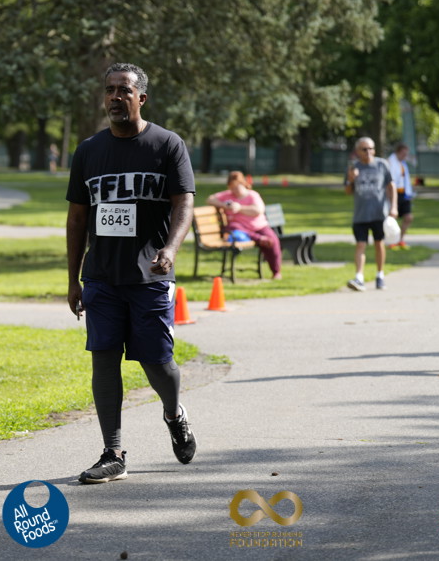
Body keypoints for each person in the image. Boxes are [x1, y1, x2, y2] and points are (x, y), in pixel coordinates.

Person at [66, 62, 197, 484]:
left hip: (150, 276)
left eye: (124, 90)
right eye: (109, 90)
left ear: (142, 97)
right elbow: (77, 218)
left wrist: (170, 249)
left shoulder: (167, 145)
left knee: (157, 363)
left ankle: (173, 414)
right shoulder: (89, 151)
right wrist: (72, 279)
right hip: (102, 276)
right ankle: (113, 452)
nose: (115, 97)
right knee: (104, 360)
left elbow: (184, 203)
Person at [206, 171, 282, 279]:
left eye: (236, 187)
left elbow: (258, 210)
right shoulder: (227, 195)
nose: (234, 190)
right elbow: (210, 199)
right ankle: (260, 239)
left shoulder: (252, 195)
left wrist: (239, 208)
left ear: (243, 184)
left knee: (273, 241)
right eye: (232, 188)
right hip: (240, 229)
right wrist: (224, 205)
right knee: (233, 226)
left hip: (259, 227)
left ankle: (276, 272)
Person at [344, 136, 397, 291]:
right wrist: (350, 179)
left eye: (371, 148)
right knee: (360, 244)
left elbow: (391, 186)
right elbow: (348, 191)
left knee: (379, 244)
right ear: (357, 151)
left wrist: (393, 207)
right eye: (364, 149)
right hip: (360, 214)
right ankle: (359, 277)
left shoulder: (382, 165)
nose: (368, 152)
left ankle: (380, 275)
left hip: (379, 213)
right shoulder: (353, 167)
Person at [387, 143, 415, 249]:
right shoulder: (390, 162)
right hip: (394, 193)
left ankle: (400, 239)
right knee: (392, 219)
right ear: (398, 152)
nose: (405, 155)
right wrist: (390, 198)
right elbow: (389, 182)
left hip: (404, 194)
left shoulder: (402, 163)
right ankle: (392, 241)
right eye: (403, 153)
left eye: (406, 153)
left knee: (408, 217)